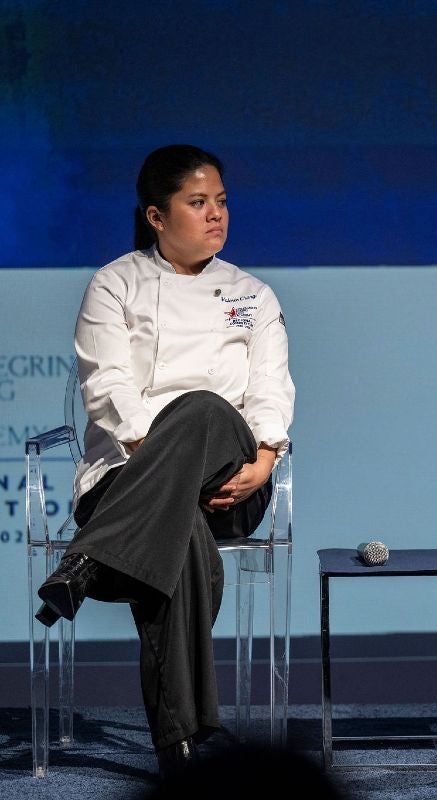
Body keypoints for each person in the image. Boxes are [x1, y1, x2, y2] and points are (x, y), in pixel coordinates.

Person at [34, 145, 295, 775]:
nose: (215, 216)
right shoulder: (115, 284)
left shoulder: (252, 295)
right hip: (124, 478)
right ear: (156, 216)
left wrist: (263, 463)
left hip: (233, 483)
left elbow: (270, 389)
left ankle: (89, 558)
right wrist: (166, 464)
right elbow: (108, 389)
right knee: (181, 545)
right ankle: (180, 744)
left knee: (205, 407)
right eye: (197, 203)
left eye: (222, 202)